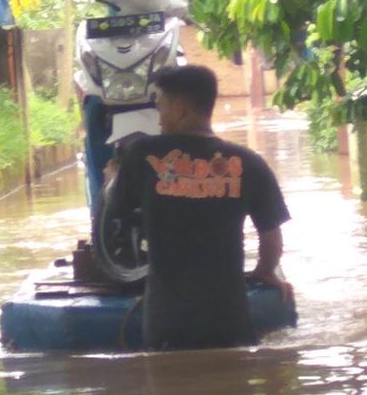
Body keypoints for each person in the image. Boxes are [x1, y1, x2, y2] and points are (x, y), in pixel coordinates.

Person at [105, 65, 290, 350]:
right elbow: (271, 237)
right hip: (229, 319)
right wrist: (265, 272)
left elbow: (116, 213)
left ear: (180, 110)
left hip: (166, 322)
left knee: (170, 388)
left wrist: (112, 179)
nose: (159, 117)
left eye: (161, 107)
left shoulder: (142, 154)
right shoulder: (249, 163)